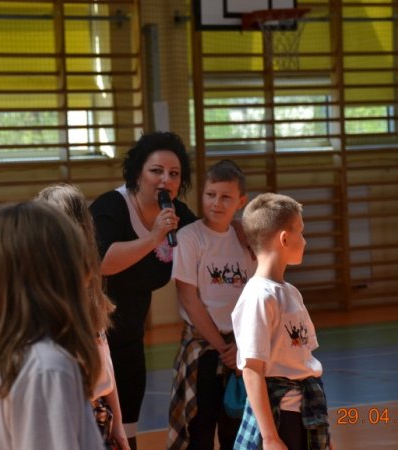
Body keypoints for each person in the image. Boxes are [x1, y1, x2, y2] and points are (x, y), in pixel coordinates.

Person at [89, 131, 198, 449]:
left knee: (128, 432)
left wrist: (239, 229)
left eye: (174, 174)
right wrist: (153, 238)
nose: (166, 179)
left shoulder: (177, 214)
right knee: (96, 431)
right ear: (138, 173)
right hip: (92, 338)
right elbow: (102, 263)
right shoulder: (111, 207)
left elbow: (208, 241)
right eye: (156, 171)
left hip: (131, 339)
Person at [0, 202, 103, 449]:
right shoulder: (46, 367)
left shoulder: (23, 355)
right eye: (77, 258)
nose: (88, 272)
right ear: (58, 274)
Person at [231, 193, 334, 450]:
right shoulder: (259, 297)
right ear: (284, 238)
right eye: (301, 231)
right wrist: (269, 437)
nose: (305, 240)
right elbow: (252, 369)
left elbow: (303, 358)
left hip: (305, 413)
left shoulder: (291, 293)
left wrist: (325, 435)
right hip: (281, 417)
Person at [167, 160, 256, 450]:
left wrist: (241, 346)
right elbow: (189, 298)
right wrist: (222, 347)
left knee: (236, 432)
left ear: (241, 202)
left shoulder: (246, 241)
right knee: (199, 431)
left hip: (240, 350)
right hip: (204, 350)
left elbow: (255, 297)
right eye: (210, 194)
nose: (216, 203)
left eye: (226, 197)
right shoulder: (190, 237)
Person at [35, 183, 129, 450]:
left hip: (94, 415)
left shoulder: (87, 286)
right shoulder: (39, 293)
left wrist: (118, 422)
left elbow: (104, 361)